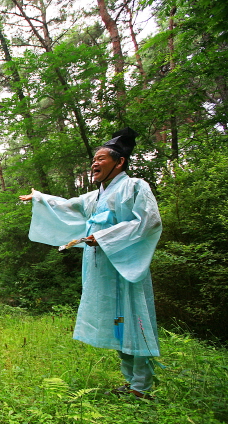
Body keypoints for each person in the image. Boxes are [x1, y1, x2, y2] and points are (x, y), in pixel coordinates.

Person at [19, 128, 162, 399]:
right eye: (93, 160)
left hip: (126, 267)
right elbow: (69, 206)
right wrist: (39, 197)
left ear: (119, 162)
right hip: (101, 270)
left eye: (101, 158)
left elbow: (149, 221)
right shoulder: (94, 196)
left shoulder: (135, 187)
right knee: (118, 323)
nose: (94, 164)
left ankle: (142, 386)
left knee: (132, 319)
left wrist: (105, 236)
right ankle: (131, 382)